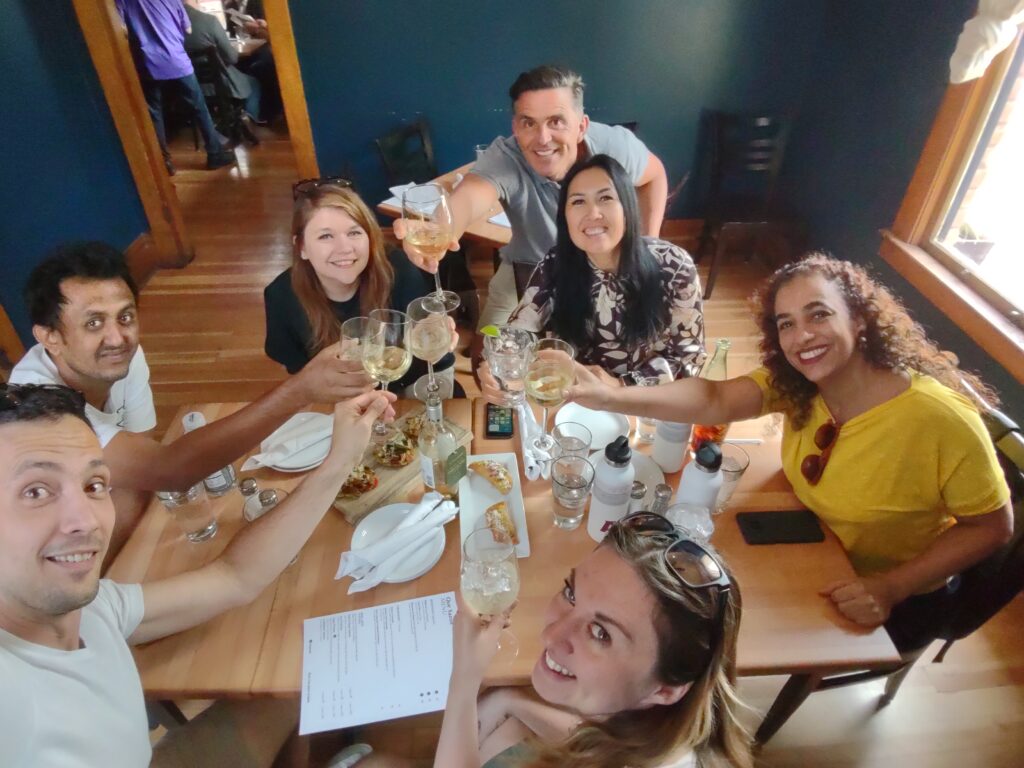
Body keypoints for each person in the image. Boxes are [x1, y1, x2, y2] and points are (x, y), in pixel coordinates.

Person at [569, 253, 1014, 653]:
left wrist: (891, 586)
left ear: (859, 319)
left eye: (818, 315)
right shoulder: (803, 384)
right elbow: (715, 399)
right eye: (786, 323)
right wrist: (610, 397)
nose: (801, 337)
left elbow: (993, 527)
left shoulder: (939, 419)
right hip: (810, 537)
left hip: (886, 594)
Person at [0, 382, 394, 767]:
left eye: (94, 484)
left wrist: (339, 462)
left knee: (300, 683)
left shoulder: (92, 605)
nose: (86, 521)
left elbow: (233, 577)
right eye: (36, 491)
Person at [10, 241, 376, 560]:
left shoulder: (122, 356)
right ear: (49, 337)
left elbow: (146, 459)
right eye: (93, 323)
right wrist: (300, 391)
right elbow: (167, 469)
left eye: (125, 317)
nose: (117, 337)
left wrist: (148, 476)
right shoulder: (42, 408)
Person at [338, 514, 751, 768]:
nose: (552, 634)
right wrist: (510, 700)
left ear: (664, 690)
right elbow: (594, 738)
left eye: (601, 632)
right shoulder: (664, 732)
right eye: (571, 594)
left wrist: (463, 681)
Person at [395, 64, 669, 338]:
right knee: (487, 349)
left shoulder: (614, 147)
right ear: (515, 127)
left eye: (556, 121)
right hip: (529, 268)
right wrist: (440, 230)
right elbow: (466, 199)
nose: (542, 139)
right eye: (529, 123)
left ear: (581, 126)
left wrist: (646, 245)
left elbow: (654, 175)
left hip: (607, 263)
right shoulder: (505, 157)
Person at [478, 155, 704, 395]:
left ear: (627, 208)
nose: (593, 213)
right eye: (577, 202)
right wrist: (498, 361)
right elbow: (522, 329)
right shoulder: (556, 262)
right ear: (565, 217)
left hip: (646, 403)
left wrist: (620, 385)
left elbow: (689, 359)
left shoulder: (674, 265)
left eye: (605, 198)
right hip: (575, 398)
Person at [264, 180, 460, 397]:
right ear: (301, 247)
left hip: (410, 388)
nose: (345, 248)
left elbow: (435, 359)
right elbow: (300, 376)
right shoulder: (280, 295)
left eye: (354, 233)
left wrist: (433, 339)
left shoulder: (399, 269)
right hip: (338, 398)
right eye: (325, 236)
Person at [115, 0, 237, 173]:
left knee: (155, 113)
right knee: (199, 108)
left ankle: (164, 162)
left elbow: (121, 29)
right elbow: (188, 29)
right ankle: (215, 154)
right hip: (177, 61)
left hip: (147, 63)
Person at [183, 0, 262, 126]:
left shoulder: (169, 25)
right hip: (221, 81)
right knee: (253, 82)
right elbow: (232, 58)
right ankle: (248, 120)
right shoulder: (208, 20)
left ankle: (223, 118)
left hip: (192, 83)